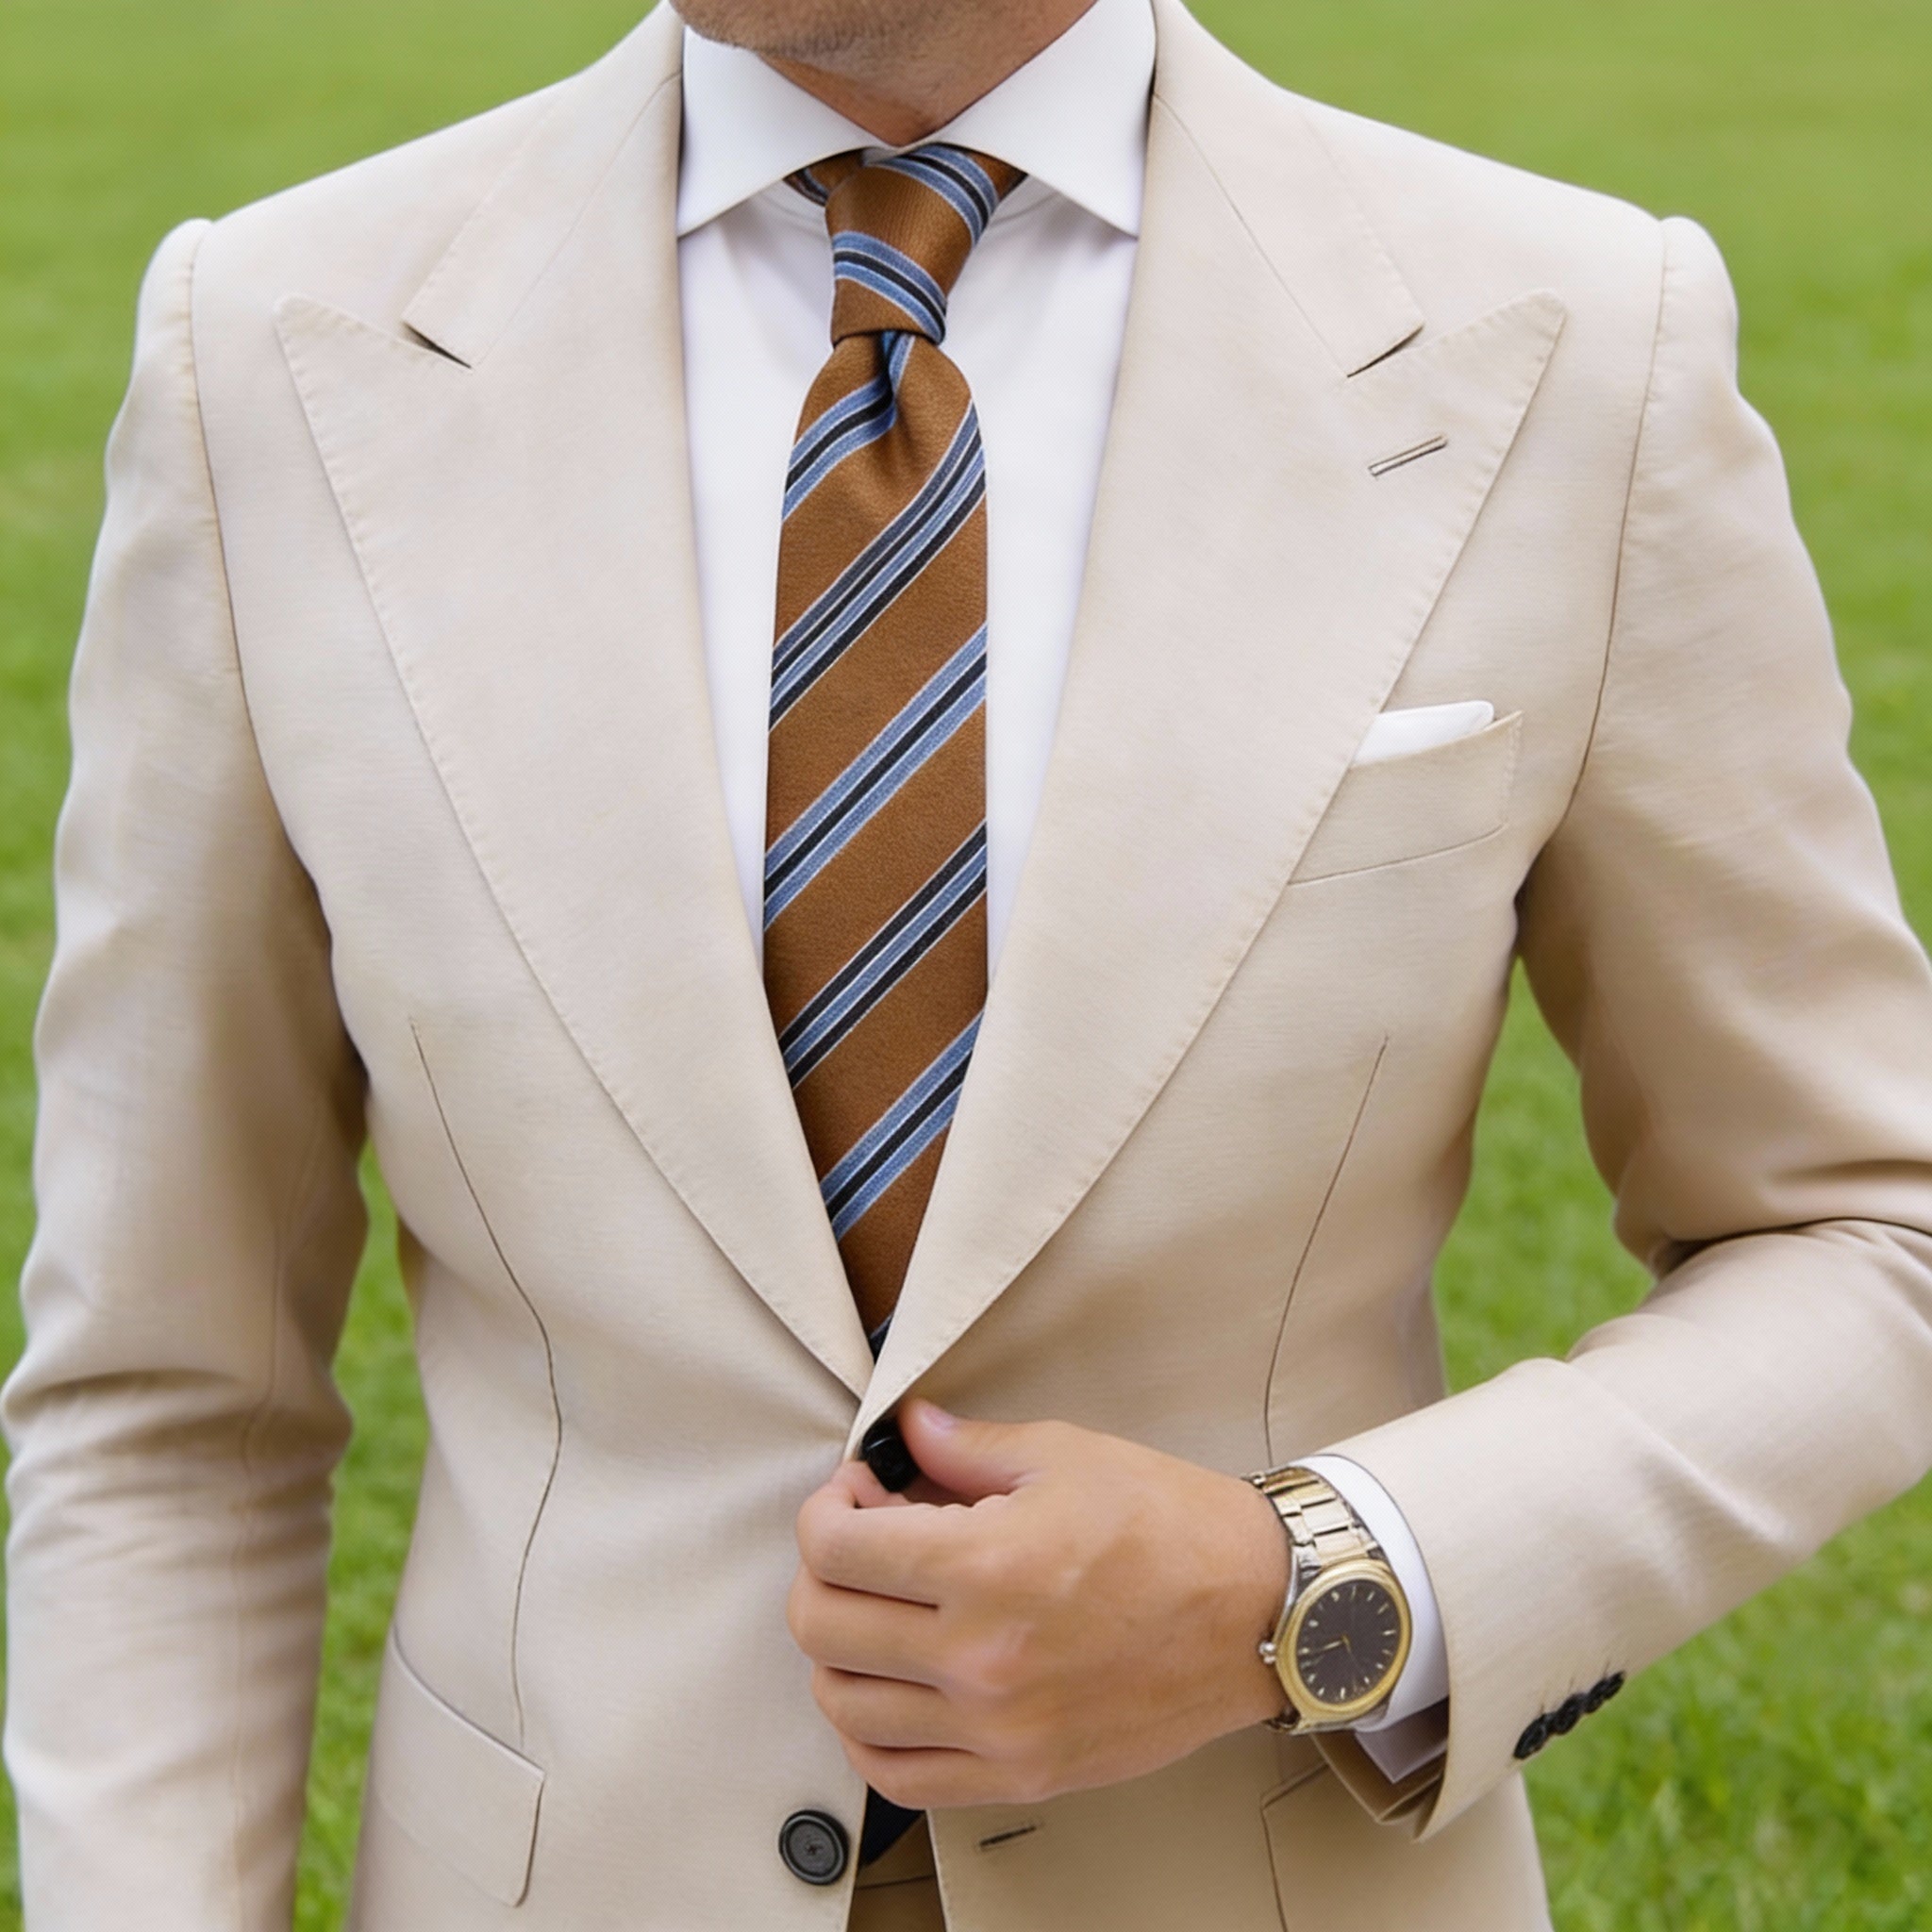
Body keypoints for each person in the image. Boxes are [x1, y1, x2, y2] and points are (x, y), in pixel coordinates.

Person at [7, 0, 1932, 1924]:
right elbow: (166, 1402)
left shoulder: (1575, 341)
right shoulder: (266, 351)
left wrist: (1312, 1590)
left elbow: (1866, 1232)